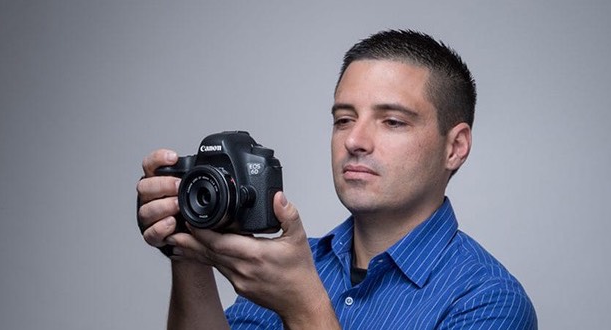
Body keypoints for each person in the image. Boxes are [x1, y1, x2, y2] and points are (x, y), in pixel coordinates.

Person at [136, 29, 537, 329]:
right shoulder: (289, 264)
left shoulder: (490, 301)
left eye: (393, 122)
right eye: (343, 119)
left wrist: (304, 306)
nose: (355, 141)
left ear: (455, 147)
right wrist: (186, 247)